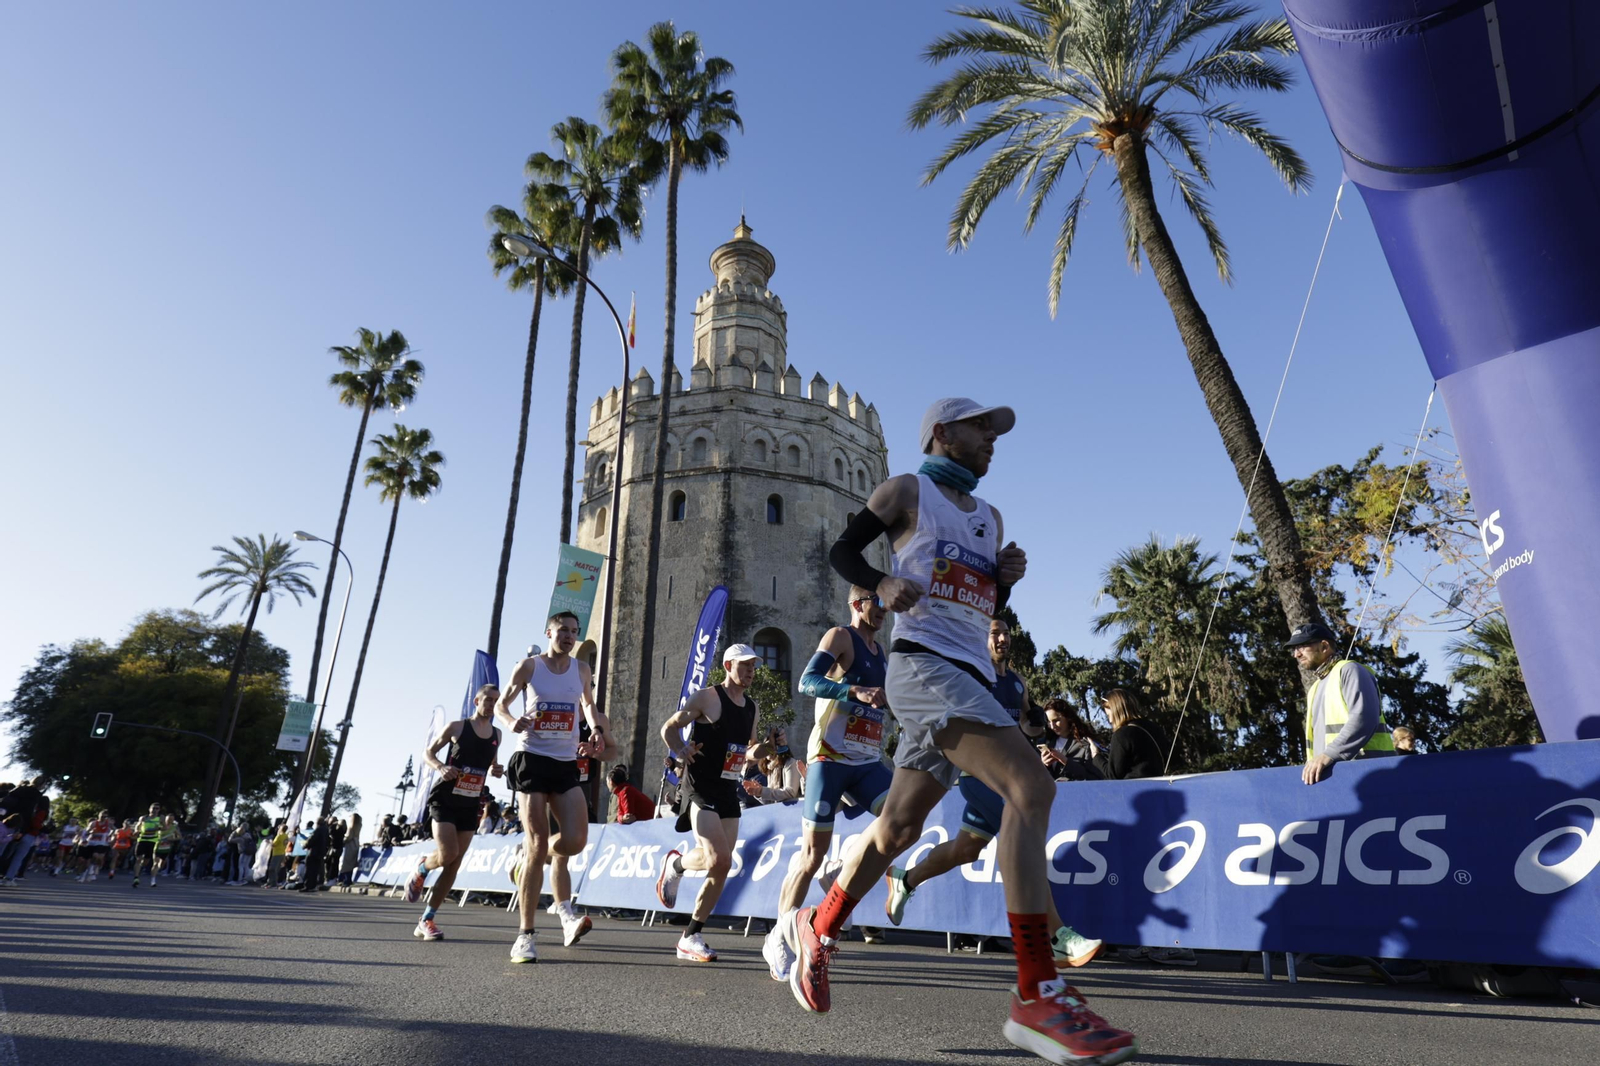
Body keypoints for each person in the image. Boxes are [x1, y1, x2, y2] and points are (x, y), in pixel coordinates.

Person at [783, 397, 1136, 1063]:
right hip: (920, 669)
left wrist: (1002, 583)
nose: (992, 440)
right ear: (943, 432)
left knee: (897, 830)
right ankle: (1037, 990)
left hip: (967, 670)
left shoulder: (990, 517)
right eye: (981, 428)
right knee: (1030, 787)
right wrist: (882, 582)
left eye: (994, 431)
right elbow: (842, 550)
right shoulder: (907, 491)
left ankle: (817, 923)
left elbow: (976, 607)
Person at [882, 618, 1104, 969]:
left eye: (1006, 634)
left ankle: (905, 879)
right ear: (981, 639)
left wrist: (1036, 722)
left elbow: (1026, 727)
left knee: (966, 850)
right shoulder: (970, 673)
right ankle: (1057, 935)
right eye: (994, 633)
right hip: (975, 772)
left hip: (1005, 774)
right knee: (1025, 839)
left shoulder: (1016, 682)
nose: (1001, 639)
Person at [762, 587, 894, 981]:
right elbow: (807, 682)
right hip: (829, 760)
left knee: (899, 821)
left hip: (866, 761)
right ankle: (779, 936)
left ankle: (845, 860)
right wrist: (853, 689)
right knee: (809, 857)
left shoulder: (881, 652)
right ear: (858, 604)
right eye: (878, 602)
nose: (885, 609)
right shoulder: (840, 637)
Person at [495, 612, 617, 963]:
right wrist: (510, 721)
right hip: (532, 758)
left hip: (565, 764)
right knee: (536, 846)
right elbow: (503, 705)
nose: (569, 637)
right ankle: (525, 935)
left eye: (574, 632)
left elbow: (589, 706)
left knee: (575, 842)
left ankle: (530, 856)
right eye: (563, 630)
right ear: (549, 632)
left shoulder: (581, 670)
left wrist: (595, 730)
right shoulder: (529, 667)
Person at [654, 644, 766, 963]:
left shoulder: (751, 707)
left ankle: (690, 933)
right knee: (718, 859)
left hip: (728, 789)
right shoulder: (707, 697)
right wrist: (680, 749)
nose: (750, 671)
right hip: (699, 787)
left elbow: (751, 750)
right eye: (745, 665)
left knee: (721, 864)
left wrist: (770, 749)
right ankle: (677, 874)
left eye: (753, 667)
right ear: (729, 665)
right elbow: (670, 727)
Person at [405, 684, 505, 941]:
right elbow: (428, 752)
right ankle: (422, 869)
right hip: (445, 798)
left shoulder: (497, 734)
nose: (492, 704)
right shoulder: (457, 727)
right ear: (477, 701)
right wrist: (440, 767)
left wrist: (496, 769)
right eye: (488, 700)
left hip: (471, 802)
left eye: (496, 700)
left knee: (454, 864)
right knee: (448, 853)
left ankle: (426, 919)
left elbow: (491, 763)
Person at [1286, 622, 1395, 784]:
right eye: (1294, 649)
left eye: (1302, 646)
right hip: (1334, 779)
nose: (1296, 654)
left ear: (1324, 646)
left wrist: (1328, 755)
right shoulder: (1315, 688)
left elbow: (1364, 718)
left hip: (1373, 774)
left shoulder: (1350, 671)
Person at [1088, 689, 1166, 781]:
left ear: (1117, 711)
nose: (1110, 721)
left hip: (1134, 790)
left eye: (1109, 715)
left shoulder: (1121, 735)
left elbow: (1113, 775)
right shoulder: (1154, 728)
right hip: (1159, 786)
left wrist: (1096, 756)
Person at [1, 776, 50, 883]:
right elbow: (29, 814)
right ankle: (9, 878)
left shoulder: (18, 790)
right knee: (16, 855)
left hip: (6, 823)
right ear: (42, 785)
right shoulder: (37, 796)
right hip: (21, 826)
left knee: (3, 851)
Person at [1038, 699, 1100, 781]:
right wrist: (1044, 765)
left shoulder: (1085, 744)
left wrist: (1066, 762)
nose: (1052, 726)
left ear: (1067, 717)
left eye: (1056, 720)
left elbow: (1093, 776)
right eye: (1049, 722)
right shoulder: (1045, 742)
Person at [131, 804, 164, 888]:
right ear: (149, 809)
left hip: (152, 841)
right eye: (153, 808)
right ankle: (136, 878)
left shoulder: (160, 819)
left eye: (157, 808)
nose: (155, 810)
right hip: (142, 840)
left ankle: (140, 869)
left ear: (159, 810)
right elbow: (137, 826)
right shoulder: (143, 818)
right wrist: (136, 831)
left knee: (146, 861)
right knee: (138, 859)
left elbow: (164, 827)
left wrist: (159, 828)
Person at [79, 810, 114, 882]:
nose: (103, 818)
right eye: (102, 816)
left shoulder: (109, 824)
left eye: (105, 816)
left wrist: (111, 836)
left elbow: (115, 831)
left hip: (101, 843)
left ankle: (93, 870)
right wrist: (91, 832)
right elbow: (87, 831)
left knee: (96, 856)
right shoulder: (93, 823)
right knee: (86, 861)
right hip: (91, 842)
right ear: (99, 815)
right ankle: (83, 875)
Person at [337, 814, 363, 885]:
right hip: (355, 845)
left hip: (350, 846)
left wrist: (343, 840)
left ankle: (343, 879)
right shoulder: (358, 827)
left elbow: (348, 837)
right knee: (351, 864)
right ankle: (348, 879)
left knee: (346, 863)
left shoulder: (350, 828)